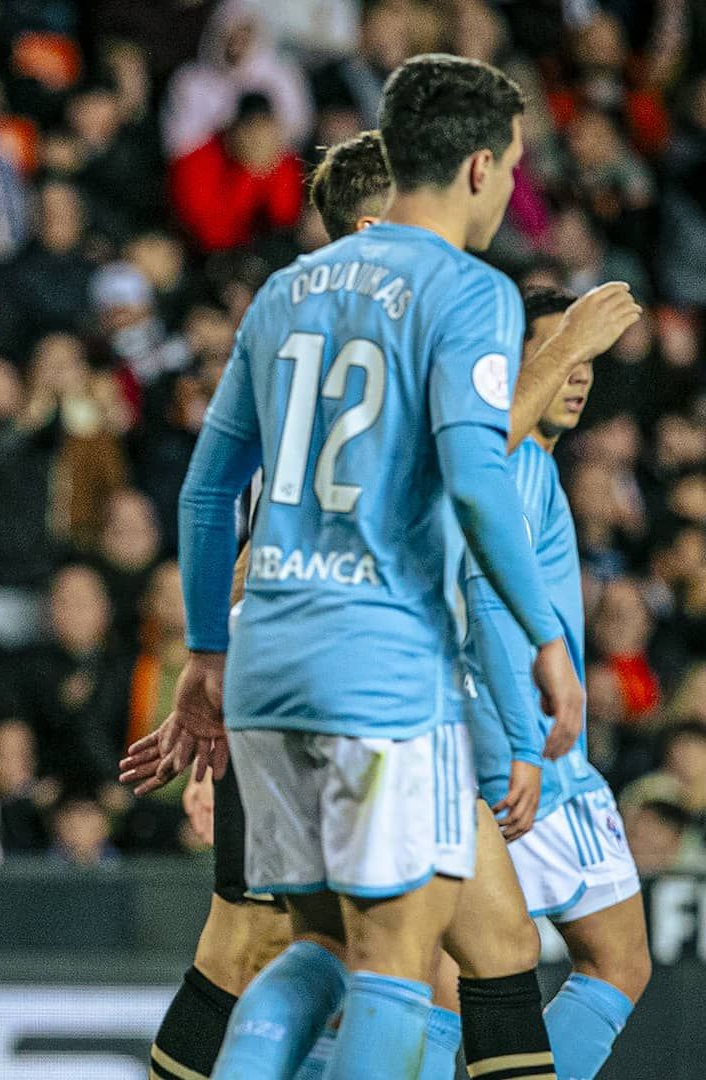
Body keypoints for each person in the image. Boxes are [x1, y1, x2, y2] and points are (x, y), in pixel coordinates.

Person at [132, 122, 643, 1080]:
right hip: (372, 668)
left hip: (272, 654)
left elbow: (215, 506)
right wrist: (565, 343)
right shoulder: (414, 313)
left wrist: (209, 659)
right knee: (411, 960)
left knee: (287, 945)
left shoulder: (283, 317)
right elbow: (455, 478)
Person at [460, 285, 652, 1080]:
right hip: (521, 759)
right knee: (447, 981)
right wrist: (516, 749)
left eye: (583, 358)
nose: (576, 372)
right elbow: (481, 617)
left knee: (615, 961)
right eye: (558, 350)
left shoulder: (534, 464)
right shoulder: (504, 469)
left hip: (543, 759)